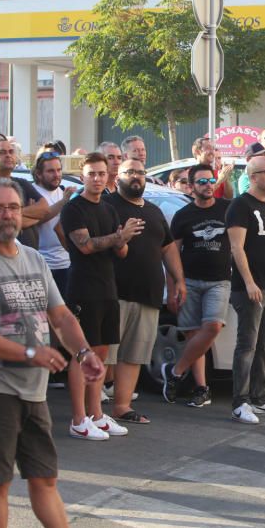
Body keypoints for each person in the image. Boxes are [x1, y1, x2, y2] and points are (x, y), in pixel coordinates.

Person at [0, 177, 105, 528]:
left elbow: (60, 316)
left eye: (13, 207)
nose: (7, 215)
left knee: (44, 478)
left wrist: (84, 352)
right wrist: (31, 353)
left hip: (33, 389)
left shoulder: (33, 258)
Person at [59, 152, 143, 440]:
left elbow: (122, 252)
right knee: (82, 354)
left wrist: (124, 238)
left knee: (102, 353)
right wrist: (119, 237)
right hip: (83, 288)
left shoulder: (108, 210)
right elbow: (85, 245)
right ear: (82, 176)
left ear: (109, 176)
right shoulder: (74, 209)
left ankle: (96, 415)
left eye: (101, 173)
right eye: (91, 173)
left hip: (108, 287)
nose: (96, 178)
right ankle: (78, 419)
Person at [104, 160, 184, 425]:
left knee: (134, 355)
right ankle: (91, 411)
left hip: (148, 294)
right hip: (113, 293)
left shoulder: (153, 211)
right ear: (118, 177)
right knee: (105, 356)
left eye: (140, 172)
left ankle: (122, 407)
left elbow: (168, 247)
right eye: (130, 173)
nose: (136, 177)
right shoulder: (107, 207)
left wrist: (178, 280)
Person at [226, 153, 265, 424]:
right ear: (252, 177)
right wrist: (250, 282)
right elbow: (236, 248)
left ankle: (261, 397)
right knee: (247, 346)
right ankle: (240, 403)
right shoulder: (240, 206)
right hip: (251, 289)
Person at [161, 163, 231, 409]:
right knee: (193, 336)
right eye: (202, 182)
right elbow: (171, 254)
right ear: (191, 187)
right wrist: (173, 288)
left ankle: (176, 372)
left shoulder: (226, 209)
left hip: (219, 281)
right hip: (189, 281)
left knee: (212, 327)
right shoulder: (183, 216)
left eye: (211, 181)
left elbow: (242, 243)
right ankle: (202, 388)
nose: (208, 185)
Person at [30, 151, 78, 299]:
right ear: (38, 174)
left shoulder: (62, 191)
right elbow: (39, 218)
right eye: (51, 171)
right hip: (42, 265)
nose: (56, 174)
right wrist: (63, 202)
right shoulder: (31, 192)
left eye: (58, 170)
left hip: (66, 264)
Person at [0, 139, 50, 250]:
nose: (8, 155)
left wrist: (14, 216)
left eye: (11, 151)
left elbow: (44, 209)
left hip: (30, 257)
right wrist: (32, 214)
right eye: (2, 152)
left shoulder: (22, 183)